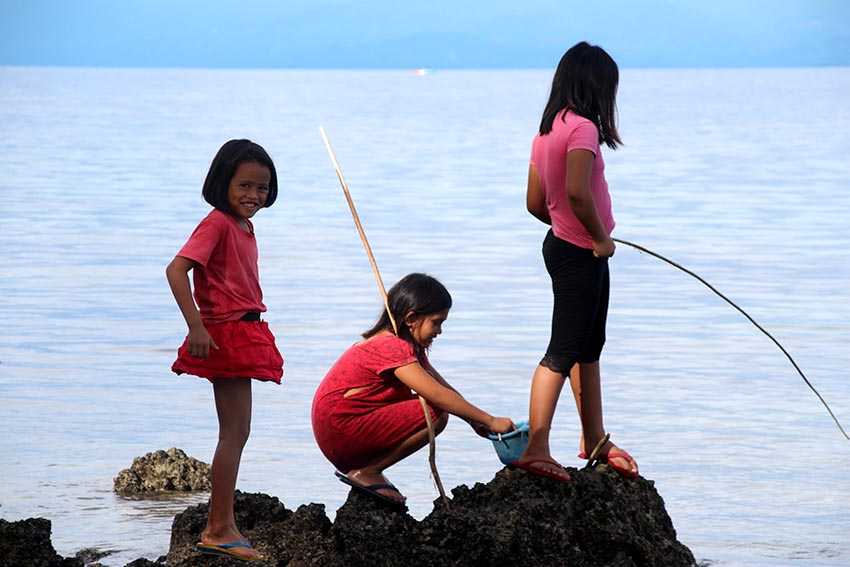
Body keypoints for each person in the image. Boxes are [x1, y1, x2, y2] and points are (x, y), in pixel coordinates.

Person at [517, 41, 639, 484]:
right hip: (582, 251)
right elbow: (575, 191)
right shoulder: (584, 128)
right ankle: (537, 448)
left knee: (589, 346)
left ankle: (595, 438)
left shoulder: (546, 131)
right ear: (596, 87)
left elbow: (535, 202)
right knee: (563, 349)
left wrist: (569, 228)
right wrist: (598, 237)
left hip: (563, 246)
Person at [166, 139, 284, 561]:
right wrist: (195, 325)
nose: (254, 195)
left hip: (244, 330)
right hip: (227, 333)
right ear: (223, 184)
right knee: (233, 434)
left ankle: (225, 523)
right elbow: (176, 269)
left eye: (263, 188)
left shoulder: (243, 227)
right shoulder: (216, 223)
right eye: (245, 186)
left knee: (239, 433)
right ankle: (217, 528)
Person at [312, 273, 516, 505]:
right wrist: (490, 420)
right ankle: (368, 471)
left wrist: (475, 421)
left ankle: (368, 469)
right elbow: (436, 395)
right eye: (436, 322)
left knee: (438, 407)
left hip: (339, 436)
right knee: (435, 414)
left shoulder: (406, 348)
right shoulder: (391, 347)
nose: (439, 331)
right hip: (341, 431)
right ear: (411, 318)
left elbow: (443, 387)